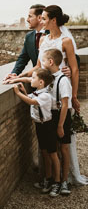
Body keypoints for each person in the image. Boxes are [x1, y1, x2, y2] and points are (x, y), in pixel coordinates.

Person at [18, 5, 88, 186]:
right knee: (48, 140)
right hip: (44, 94)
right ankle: (50, 177)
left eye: (44, 18)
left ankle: (64, 179)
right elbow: (39, 67)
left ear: (53, 20)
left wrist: (73, 96)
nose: (41, 21)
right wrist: (18, 77)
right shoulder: (42, 40)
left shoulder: (66, 41)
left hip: (61, 91)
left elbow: (74, 68)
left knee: (63, 138)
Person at [13, 68, 62, 197]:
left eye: (33, 78)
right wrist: (23, 89)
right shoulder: (37, 92)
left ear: (41, 82)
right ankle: (48, 178)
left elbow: (32, 102)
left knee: (53, 154)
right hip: (40, 127)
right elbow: (31, 97)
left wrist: (18, 93)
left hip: (48, 127)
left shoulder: (45, 95)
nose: (31, 80)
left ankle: (57, 182)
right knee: (45, 153)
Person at [42, 48, 72, 195]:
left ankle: (65, 181)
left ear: (51, 62)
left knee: (64, 148)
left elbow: (65, 104)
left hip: (62, 117)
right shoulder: (48, 78)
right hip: (51, 116)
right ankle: (55, 180)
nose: (42, 63)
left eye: (43, 60)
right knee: (52, 149)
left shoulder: (63, 79)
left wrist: (60, 125)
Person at [4, 4, 46, 81]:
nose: (27, 19)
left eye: (30, 16)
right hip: (36, 83)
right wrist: (14, 73)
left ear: (39, 18)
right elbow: (23, 58)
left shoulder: (52, 35)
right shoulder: (29, 36)